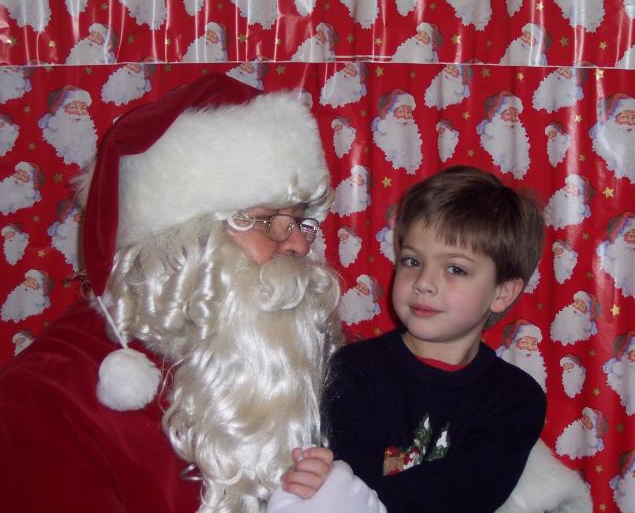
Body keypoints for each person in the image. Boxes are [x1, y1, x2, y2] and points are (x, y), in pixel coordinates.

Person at [0, 73, 381, 512]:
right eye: (270, 221)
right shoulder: (52, 395)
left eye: (299, 221)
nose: (297, 244)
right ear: (183, 241)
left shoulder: (319, 354)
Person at [319, 166, 548, 512]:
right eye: (412, 261)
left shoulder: (516, 399)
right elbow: (351, 491)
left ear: (502, 293)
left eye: (455, 269)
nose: (423, 282)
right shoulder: (353, 371)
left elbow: (463, 496)